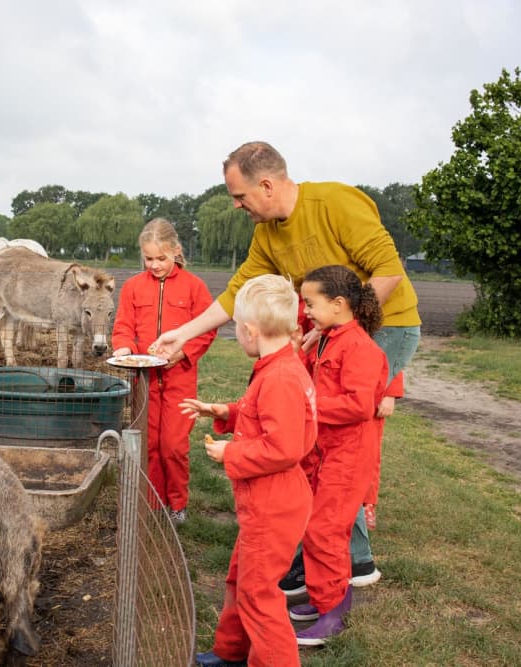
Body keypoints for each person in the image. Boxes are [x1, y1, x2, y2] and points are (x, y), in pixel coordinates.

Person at [151, 140, 422, 586]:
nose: (237, 206)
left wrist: (342, 327)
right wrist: (184, 332)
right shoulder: (267, 233)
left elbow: (389, 270)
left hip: (385, 326)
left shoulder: (335, 202)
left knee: (334, 434)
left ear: (266, 184)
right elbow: (240, 290)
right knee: (317, 437)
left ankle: (329, 555)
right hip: (333, 328)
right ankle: (343, 556)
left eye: (240, 197)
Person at [180, 274, 316, 667]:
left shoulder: (279, 377)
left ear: (250, 331)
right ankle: (232, 652)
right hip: (268, 501)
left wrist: (231, 454)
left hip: (272, 503)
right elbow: (264, 414)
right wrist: (226, 411)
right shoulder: (278, 365)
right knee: (241, 579)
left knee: (258, 593)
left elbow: (284, 446)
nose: (237, 336)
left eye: (236, 329)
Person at [286, 265, 388, 646]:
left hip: (347, 457)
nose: (306, 310)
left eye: (310, 303)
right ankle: (326, 597)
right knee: (318, 527)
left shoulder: (360, 348)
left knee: (325, 531)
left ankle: (332, 615)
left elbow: (359, 406)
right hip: (323, 450)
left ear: (339, 303)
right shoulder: (327, 339)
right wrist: (298, 353)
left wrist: (309, 405)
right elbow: (307, 381)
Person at [111, 218, 215, 524]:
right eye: (148, 258)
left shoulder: (194, 287)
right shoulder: (132, 287)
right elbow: (123, 327)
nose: (154, 265)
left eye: (161, 258)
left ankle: (177, 503)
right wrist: (125, 349)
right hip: (144, 379)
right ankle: (153, 503)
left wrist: (183, 353)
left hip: (179, 377)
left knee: (173, 445)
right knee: (149, 443)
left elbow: (206, 331)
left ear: (176, 252)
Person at [365, 371, 403, 529]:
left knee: (368, 453)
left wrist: (390, 394)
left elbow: (393, 354)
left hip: (369, 397)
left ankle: (366, 504)